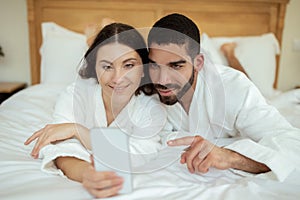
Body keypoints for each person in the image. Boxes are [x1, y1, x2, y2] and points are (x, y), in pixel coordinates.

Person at [145, 13, 299, 180]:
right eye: (154, 65)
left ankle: (230, 54)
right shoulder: (145, 87)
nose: (162, 80)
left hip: (239, 90)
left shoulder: (233, 86)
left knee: (259, 90)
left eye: (176, 66)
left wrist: (230, 157)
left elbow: (292, 143)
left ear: (198, 63)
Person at [25, 23, 168, 198]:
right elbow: (59, 145)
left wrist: (78, 131)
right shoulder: (76, 94)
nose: (117, 78)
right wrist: (87, 174)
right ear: (95, 68)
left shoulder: (152, 109)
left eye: (129, 65)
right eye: (107, 66)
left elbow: (140, 154)